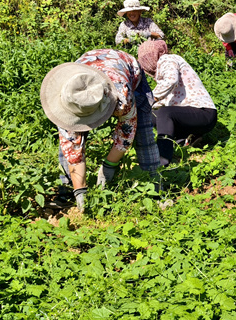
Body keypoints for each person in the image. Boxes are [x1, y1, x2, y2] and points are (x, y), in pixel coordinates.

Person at [40, 49, 160, 212]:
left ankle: (154, 186)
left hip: (127, 70)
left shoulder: (122, 97)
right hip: (88, 68)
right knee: (69, 138)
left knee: (143, 134)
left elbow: (126, 133)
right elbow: (72, 149)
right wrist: (80, 191)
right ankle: (68, 190)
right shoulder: (66, 96)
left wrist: (109, 166)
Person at [137, 40, 218, 166]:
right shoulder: (164, 69)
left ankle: (162, 159)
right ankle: (186, 137)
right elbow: (165, 97)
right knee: (150, 115)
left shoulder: (167, 59)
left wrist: (149, 100)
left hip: (204, 113)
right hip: (190, 117)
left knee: (164, 113)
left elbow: (171, 81)